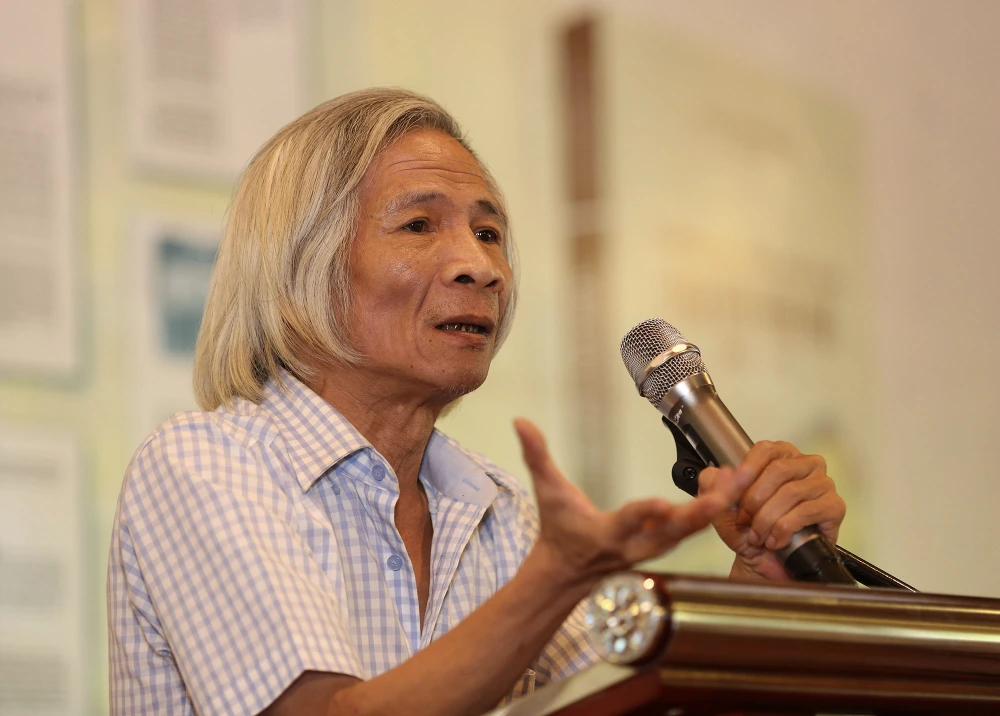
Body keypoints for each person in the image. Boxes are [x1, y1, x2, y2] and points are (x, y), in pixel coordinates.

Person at [107, 88, 846, 716]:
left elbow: (625, 705)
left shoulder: (498, 512)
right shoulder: (206, 465)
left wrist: (761, 583)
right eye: (419, 225)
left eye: (488, 233)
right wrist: (553, 579)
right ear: (302, 261)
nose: (481, 266)